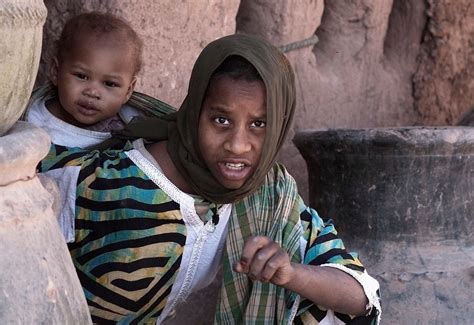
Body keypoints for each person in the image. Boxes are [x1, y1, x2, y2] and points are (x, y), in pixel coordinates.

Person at [39, 34, 381, 324]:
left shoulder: (267, 193)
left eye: (259, 124)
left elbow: (360, 295)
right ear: (194, 112)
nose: (237, 145)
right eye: (220, 120)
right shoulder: (106, 183)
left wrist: (293, 274)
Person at [25, 12, 174, 148]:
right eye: (82, 76)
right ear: (56, 71)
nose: (92, 92)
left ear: (128, 90)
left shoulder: (135, 123)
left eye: (110, 84)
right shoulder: (33, 125)